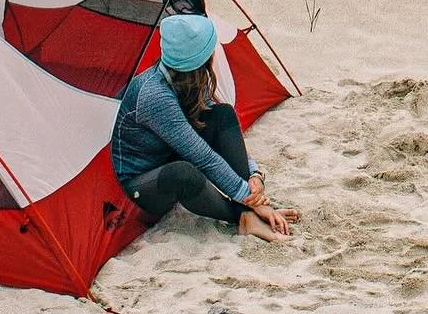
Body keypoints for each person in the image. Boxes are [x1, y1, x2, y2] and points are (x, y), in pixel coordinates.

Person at [111, 13, 297, 242]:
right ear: (198, 60)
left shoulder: (186, 78)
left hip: (168, 153)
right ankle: (244, 217)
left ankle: (250, 210)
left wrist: (254, 176)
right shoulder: (154, 96)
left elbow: (212, 126)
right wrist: (250, 200)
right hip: (142, 183)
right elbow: (203, 156)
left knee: (222, 114)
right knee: (184, 173)